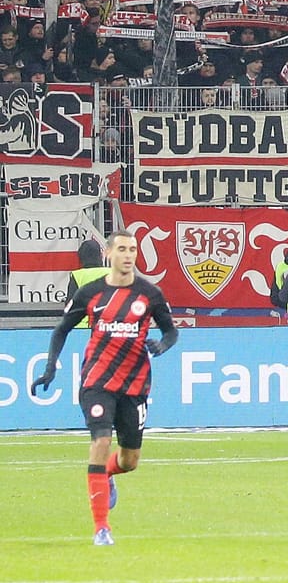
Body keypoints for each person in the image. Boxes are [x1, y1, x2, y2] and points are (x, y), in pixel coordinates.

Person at [31, 229, 179, 545]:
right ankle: (102, 528)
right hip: (96, 381)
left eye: (133, 250)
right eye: (122, 249)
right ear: (109, 254)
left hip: (135, 384)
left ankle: (108, 473)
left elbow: (171, 331)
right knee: (100, 441)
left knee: (129, 460)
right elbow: (61, 330)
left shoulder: (149, 294)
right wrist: (50, 367)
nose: (128, 255)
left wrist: (163, 344)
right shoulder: (91, 293)